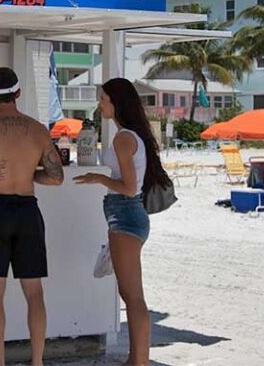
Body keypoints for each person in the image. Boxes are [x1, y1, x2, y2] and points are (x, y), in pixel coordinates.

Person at [0, 67, 64, 366]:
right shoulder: (37, 130)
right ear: (17, 94)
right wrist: (29, 173)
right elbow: (56, 177)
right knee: (34, 293)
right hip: (27, 210)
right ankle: (38, 362)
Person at [72, 77, 170, 366]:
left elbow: (128, 187)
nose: (100, 104)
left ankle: (138, 361)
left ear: (116, 102)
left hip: (125, 213)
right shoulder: (129, 136)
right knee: (130, 294)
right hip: (126, 214)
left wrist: (97, 178)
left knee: (133, 296)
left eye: (103, 98)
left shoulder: (123, 138)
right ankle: (135, 359)